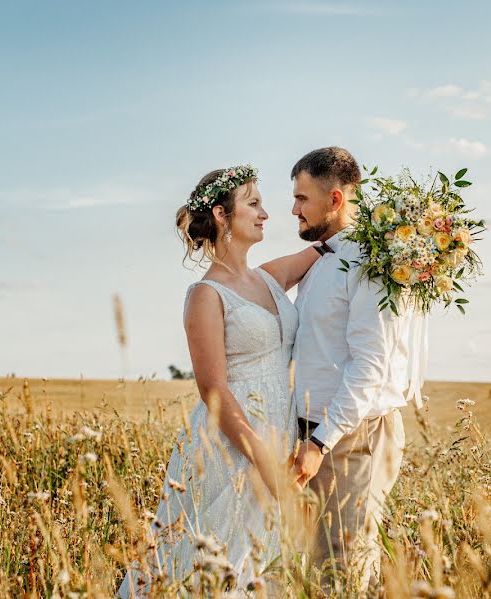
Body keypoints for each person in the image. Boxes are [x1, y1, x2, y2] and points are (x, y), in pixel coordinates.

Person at [118, 165, 320, 596]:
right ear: (222, 215)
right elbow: (212, 390)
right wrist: (265, 461)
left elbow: (326, 248)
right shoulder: (205, 295)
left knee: (263, 568)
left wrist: (399, 232)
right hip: (231, 447)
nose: (267, 213)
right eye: (254, 204)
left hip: (278, 430)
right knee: (213, 565)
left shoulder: (270, 276)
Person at [288, 147, 417, 590]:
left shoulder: (369, 264)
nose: (294, 209)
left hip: (351, 437)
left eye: (303, 198)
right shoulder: (320, 261)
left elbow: (371, 367)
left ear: (336, 199)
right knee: (315, 568)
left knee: (344, 570)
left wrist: (320, 442)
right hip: (315, 434)